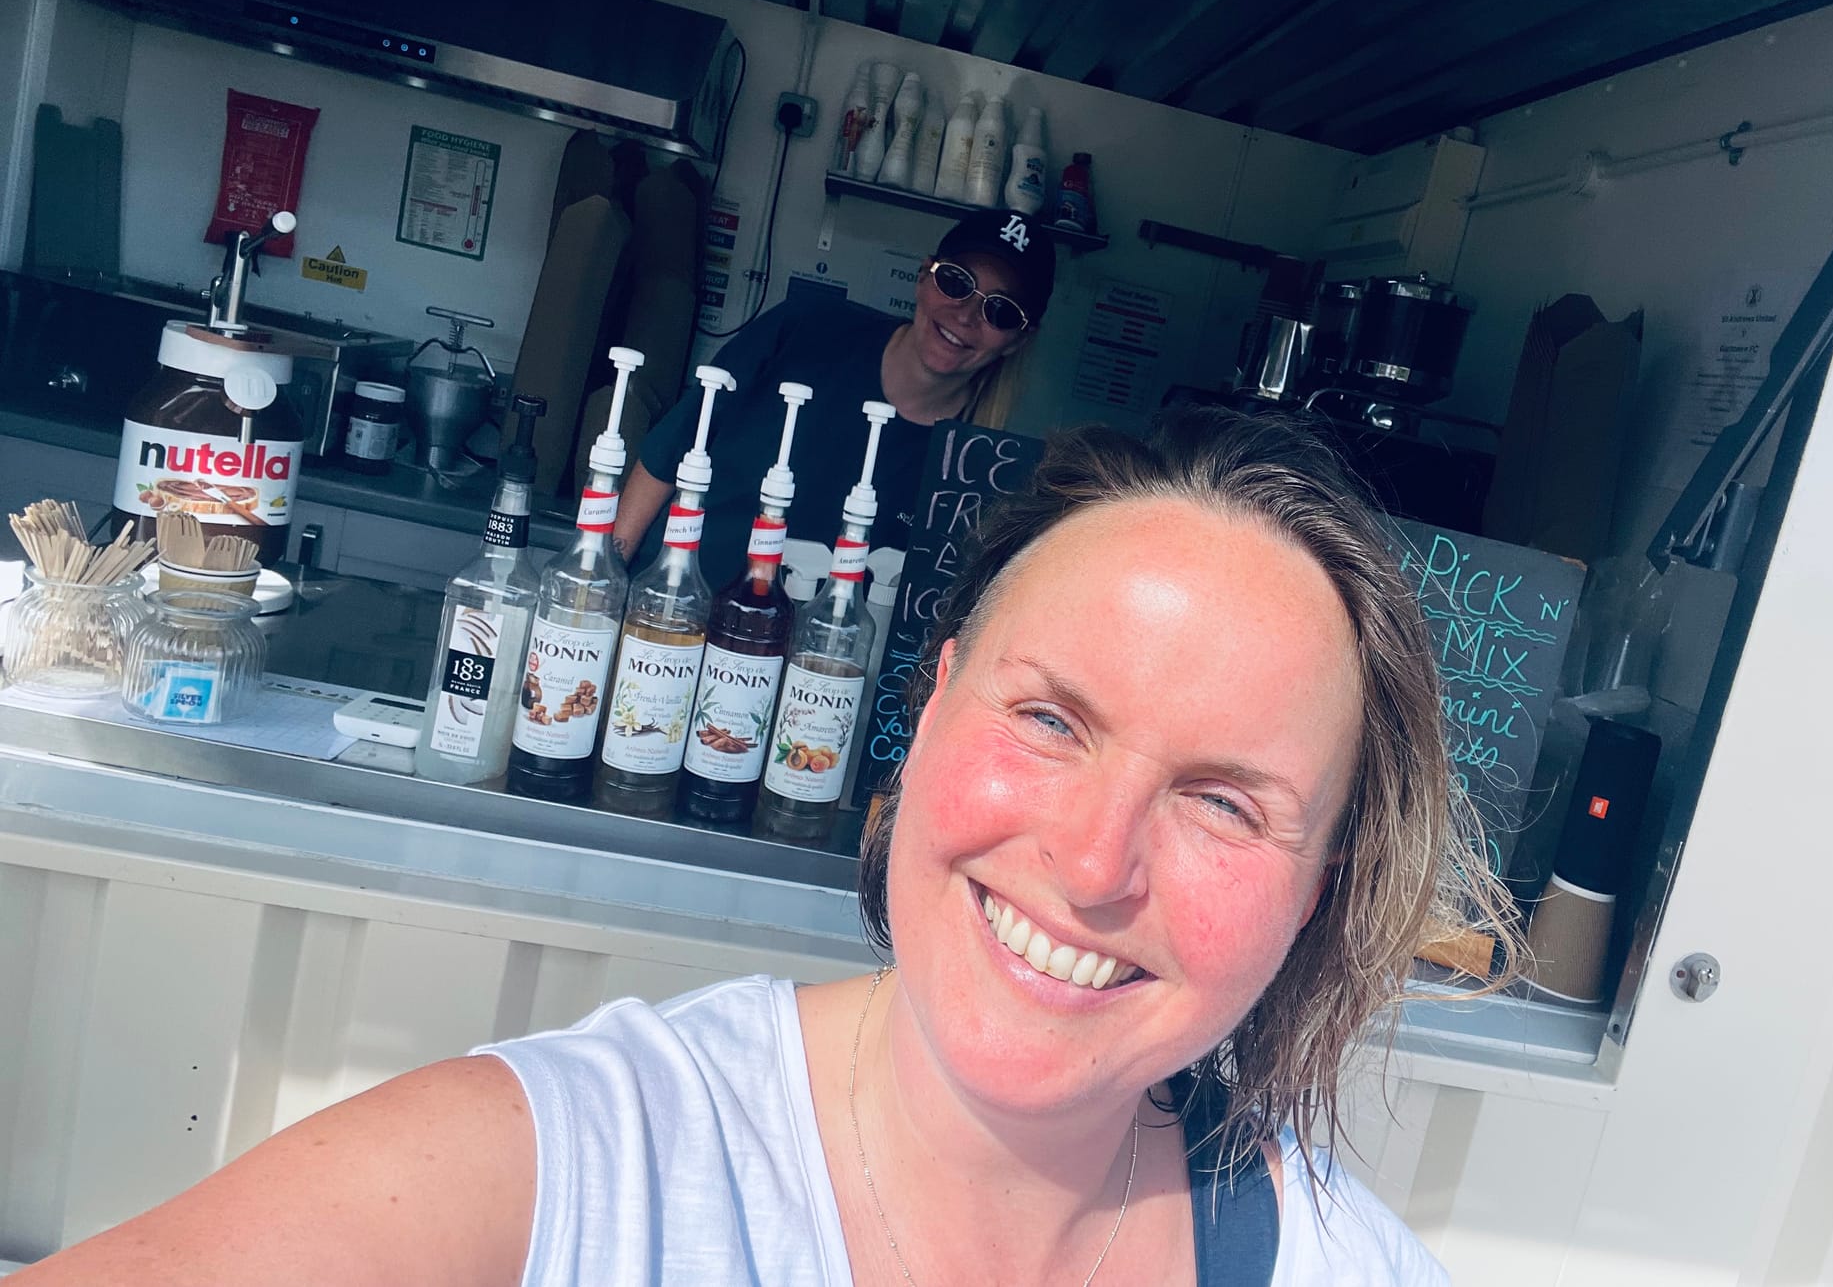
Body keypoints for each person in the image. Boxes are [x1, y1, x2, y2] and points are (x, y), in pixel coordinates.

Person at [17, 408, 1518, 1286]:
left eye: (1225, 801)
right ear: (924, 716)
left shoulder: (1334, 1261)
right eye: (1052, 719)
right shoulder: (563, 1176)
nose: (1096, 859)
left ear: (1322, 889)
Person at [613, 208, 1057, 584]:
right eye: (957, 283)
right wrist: (604, 585)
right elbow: (669, 452)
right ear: (924, 276)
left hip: (810, 681)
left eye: (1000, 310)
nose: (965, 315)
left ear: (1017, 340)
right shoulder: (806, 329)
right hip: (665, 626)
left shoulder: (971, 472)